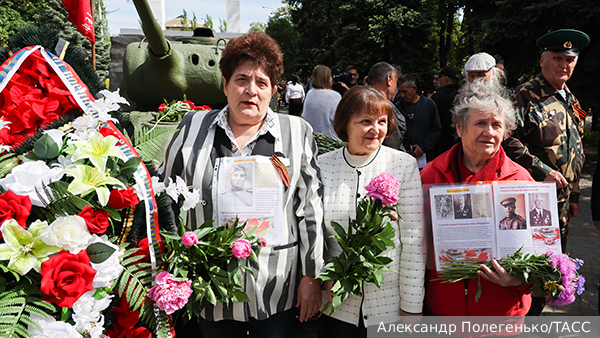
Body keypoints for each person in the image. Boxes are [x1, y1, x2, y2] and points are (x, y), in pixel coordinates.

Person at [161, 32, 324, 337]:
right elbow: (167, 201)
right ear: (224, 85)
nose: (251, 90)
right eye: (241, 80)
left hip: (275, 287)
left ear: (274, 92)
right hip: (211, 287)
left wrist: (312, 277)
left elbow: (310, 208)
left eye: (262, 83)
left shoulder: (296, 132)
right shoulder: (192, 127)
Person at [318, 85, 426, 336]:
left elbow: (413, 240)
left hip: (387, 306)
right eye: (365, 121)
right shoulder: (322, 165)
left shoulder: (403, 165)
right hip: (336, 305)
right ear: (345, 123)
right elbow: (313, 234)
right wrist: (323, 277)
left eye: (381, 121)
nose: (376, 130)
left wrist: (411, 306)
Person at [420, 83, 535, 317]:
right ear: (460, 128)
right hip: (444, 313)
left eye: (496, 125)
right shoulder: (430, 175)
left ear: (505, 133)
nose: (489, 132)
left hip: (500, 315)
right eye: (480, 123)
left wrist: (519, 281)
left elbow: (542, 255)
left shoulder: (521, 181)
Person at [504, 29, 590, 317]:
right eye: (557, 58)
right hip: (534, 200)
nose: (564, 65)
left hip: (562, 203)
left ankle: (535, 318)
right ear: (542, 61)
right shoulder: (526, 94)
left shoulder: (571, 99)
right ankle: (520, 318)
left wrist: (575, 194)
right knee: (529, 266)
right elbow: (506, 139)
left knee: (552, 267)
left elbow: (577, 149)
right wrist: (541, 170)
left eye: (569, 60)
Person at [395, 74, 441, 166]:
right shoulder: (397, 107)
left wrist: (423, 146)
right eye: (400, 92)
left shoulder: (428, 104)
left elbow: (436, 129)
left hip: (426, 157)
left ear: (414, 88)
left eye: (405, 91)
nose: (402, 95)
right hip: (403, 157)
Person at [366, 61, 408, 152]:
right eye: (396, 82)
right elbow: (392, 143)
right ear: (389, 79)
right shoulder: (381, 106)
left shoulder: (362, 102)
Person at [301, 65, 342, 138]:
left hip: (311, 138)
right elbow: (339, 120)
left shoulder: (310, 93)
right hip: (329, 140)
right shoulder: (334, 96)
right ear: (327, 78)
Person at [432, 65, 461, 155]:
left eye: (439, 78)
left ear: (446, 79)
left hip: (442, 144)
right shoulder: (463, 95)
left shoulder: (438, 97)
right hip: (460, 141)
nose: (436, 81)